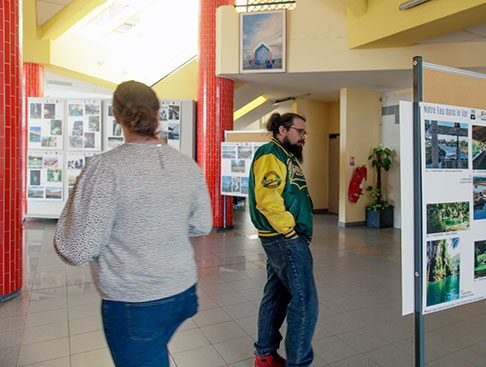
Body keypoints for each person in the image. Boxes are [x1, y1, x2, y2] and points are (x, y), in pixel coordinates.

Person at [54, 80, 212, 367]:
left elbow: (78, 249)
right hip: (182, 291)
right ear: (158, 112)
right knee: (154, 352)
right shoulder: (186, 164)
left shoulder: (106, 167)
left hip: (135, 302)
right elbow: (202, 223)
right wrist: (163, 224)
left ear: (115, 115)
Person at [248, 112, 318, 367]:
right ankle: (299, 363)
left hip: (283, 238)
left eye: (304, 133)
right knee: (305, 302)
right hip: (284, 239)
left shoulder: (285, 155)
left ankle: (265, 355)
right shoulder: (271, 153)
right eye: (299, 131)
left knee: (276, 295)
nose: (303, 137)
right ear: (281, 130)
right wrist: (290, 231)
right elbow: (268, 198)